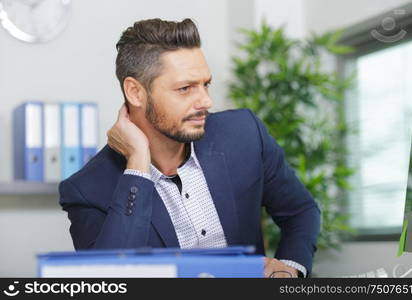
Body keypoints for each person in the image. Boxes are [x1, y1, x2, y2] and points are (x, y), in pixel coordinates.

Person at [59, 18, 320, 278]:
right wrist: (137, 164)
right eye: (185, 88)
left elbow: (300, 211)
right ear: (135, 92)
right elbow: (109, 280)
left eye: (205, 84)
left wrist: (289, 271)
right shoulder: (86, 190)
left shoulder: (245, 134)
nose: (206, 101)